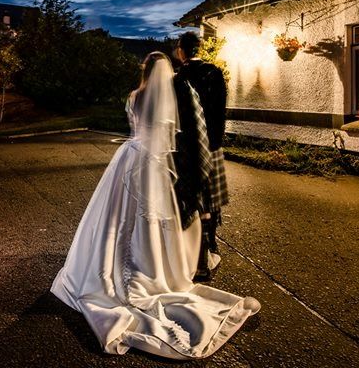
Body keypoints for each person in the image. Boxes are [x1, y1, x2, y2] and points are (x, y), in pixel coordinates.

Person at [51, 52, 259, 359]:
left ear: (145, 70)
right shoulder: (168, 97)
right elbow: (168, 134)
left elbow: (135, 126)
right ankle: (153, 266)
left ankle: (108, 266)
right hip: (153, 161)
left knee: (116, 215)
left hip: (129, 155)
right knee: (151, 218)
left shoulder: (134, 95)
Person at [172, 31, 229, 282]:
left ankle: (194, 248)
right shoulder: (215, 72)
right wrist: (216, 139)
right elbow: (221, 109)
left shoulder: (178, 77)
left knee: (191, 196)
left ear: (181, 51)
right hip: (212, 143)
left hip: (187, 146)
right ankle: (211, 242)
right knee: (211, 197)